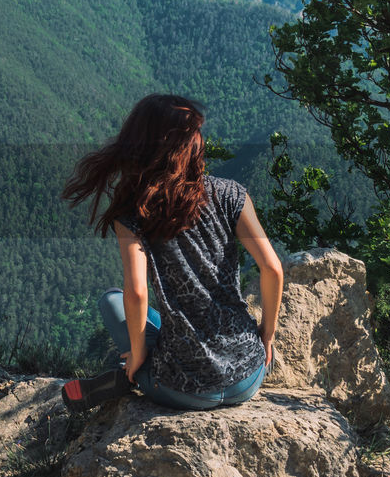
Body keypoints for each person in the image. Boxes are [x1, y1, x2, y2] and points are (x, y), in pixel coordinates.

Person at [58, 93, 284, 412]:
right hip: (247, 376)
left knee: (112, 301)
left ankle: (134, 373)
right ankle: (147, 364)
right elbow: (273, 269)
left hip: (186, 389)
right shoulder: (231, 194)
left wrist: (137, 353)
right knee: (161, 320)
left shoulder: (134, 214)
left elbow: (136, 293)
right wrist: (267, 335)